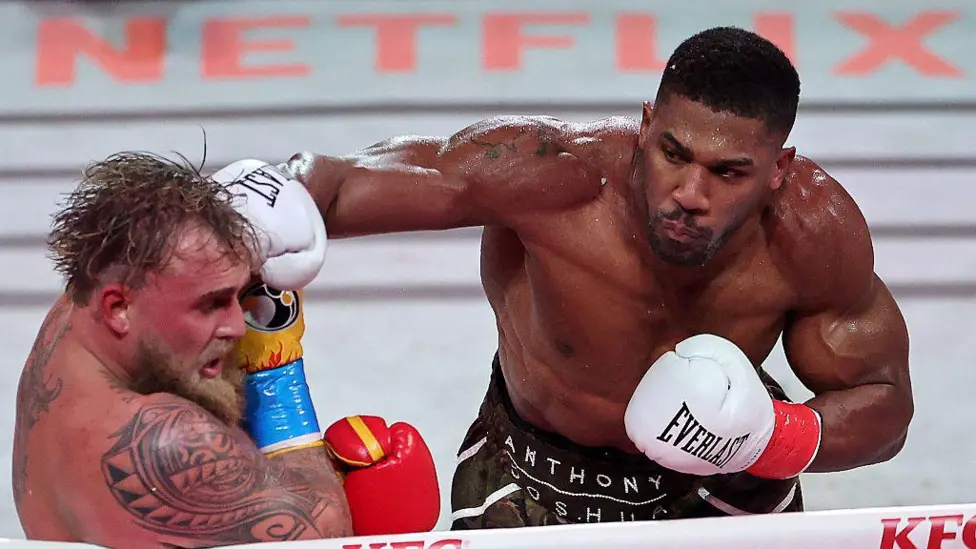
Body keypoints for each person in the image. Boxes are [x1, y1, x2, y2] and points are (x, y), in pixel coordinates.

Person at [212, 26, 915, 528]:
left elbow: (882, 402)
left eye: (728, 172)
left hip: (725, 480)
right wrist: (282, 194)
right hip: (531, 473)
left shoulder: (813, 233)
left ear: (778, 170)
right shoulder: (554, 173)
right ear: (646, 126)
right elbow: (346, 183)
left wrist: (772, 437)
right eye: (674, 152)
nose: (689, 192)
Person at [13, 151, 440, 547]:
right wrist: (276, 376)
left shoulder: (74, 319)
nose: (238, 326)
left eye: (239, 297)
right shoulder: (171, 442)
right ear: (119, 308)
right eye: (212, 303)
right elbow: (321, 532)